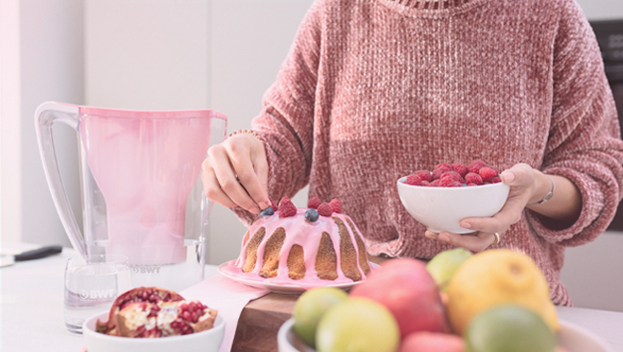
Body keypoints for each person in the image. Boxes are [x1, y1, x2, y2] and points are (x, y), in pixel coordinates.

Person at [201, 0, 623, 306]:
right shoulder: (336, 13)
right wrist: (246, 157)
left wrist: (538, 190)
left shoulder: (550, 14)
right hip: (355, 307)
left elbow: (598, 171)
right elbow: (282, 140)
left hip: (502, 309)